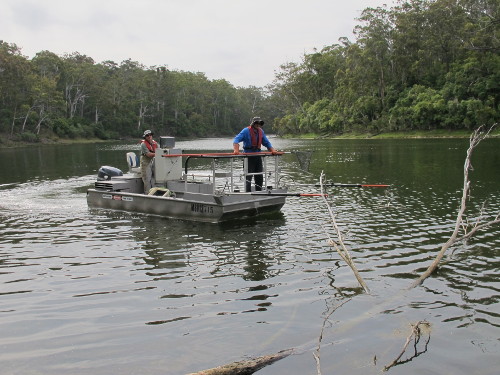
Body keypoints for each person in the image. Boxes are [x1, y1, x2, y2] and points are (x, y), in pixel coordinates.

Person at [233, 116, 277, 192]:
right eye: (256, 123)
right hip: (248, 156)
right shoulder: (246, 131)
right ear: (253, 123)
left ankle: (259, 192)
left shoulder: (261, 132)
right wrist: (236, 150)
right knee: (248, 176)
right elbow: (236, 140)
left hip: (258, 156)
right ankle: (248, 193)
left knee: (259, 175)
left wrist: (272, 150)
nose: (258, 124)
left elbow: (266, 142)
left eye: (259, 123)